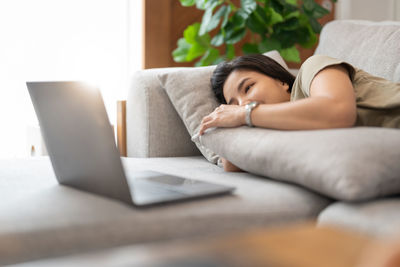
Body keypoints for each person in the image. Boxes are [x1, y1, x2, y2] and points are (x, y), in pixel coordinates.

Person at [198, 54, 400, 172]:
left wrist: (243, 115)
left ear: (281, 81)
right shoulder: (281, 129)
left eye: (248, 88)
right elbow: (231, 166)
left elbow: (338, 110)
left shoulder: (313, 67)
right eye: (235, 104)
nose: (244, 103)